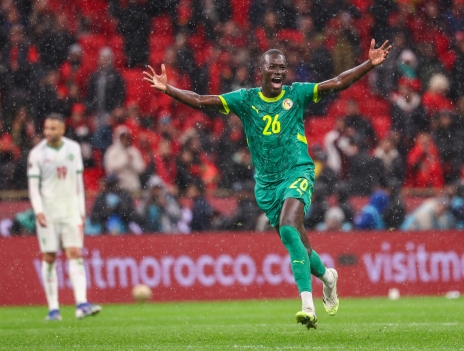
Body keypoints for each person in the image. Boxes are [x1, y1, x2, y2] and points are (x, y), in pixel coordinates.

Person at [144, 39, 392, 329]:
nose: (278, 71)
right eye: (272, 66)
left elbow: (336, 83)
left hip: (297, 172)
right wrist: (168, 89)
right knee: (299, 244)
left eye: (282, 67)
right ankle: (328, 277)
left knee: (288, 227)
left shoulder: (295, 94)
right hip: (266, 185)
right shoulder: (245, 100)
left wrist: (369, 64)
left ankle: (307, 306)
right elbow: (202, 100)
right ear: (260, 70)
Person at [27, 114, 101, 321]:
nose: (48, 132)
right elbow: (34, 188)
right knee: (49, 256)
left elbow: (78, 182)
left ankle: (81, 305)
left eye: (52, 128)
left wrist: (81, 211)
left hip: (70, 211)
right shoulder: (37, 154)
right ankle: (53, 309)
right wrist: (39, 211)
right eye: (46, 128)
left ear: (62, 129)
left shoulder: (73, 149)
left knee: (75, 253)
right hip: (48, 212)